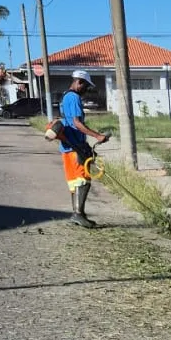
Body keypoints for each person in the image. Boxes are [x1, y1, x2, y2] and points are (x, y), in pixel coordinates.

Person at [59, 70, 109, 228]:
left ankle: (77, 213)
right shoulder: (73, 98)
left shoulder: (66, 96)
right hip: (75, 147)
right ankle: (78, 214)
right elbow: (77, 123)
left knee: (75, 182)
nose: (86, 90)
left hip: (67, 146)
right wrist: (98, 136)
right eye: (86, 87)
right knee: (83, 181)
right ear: (79, 82)